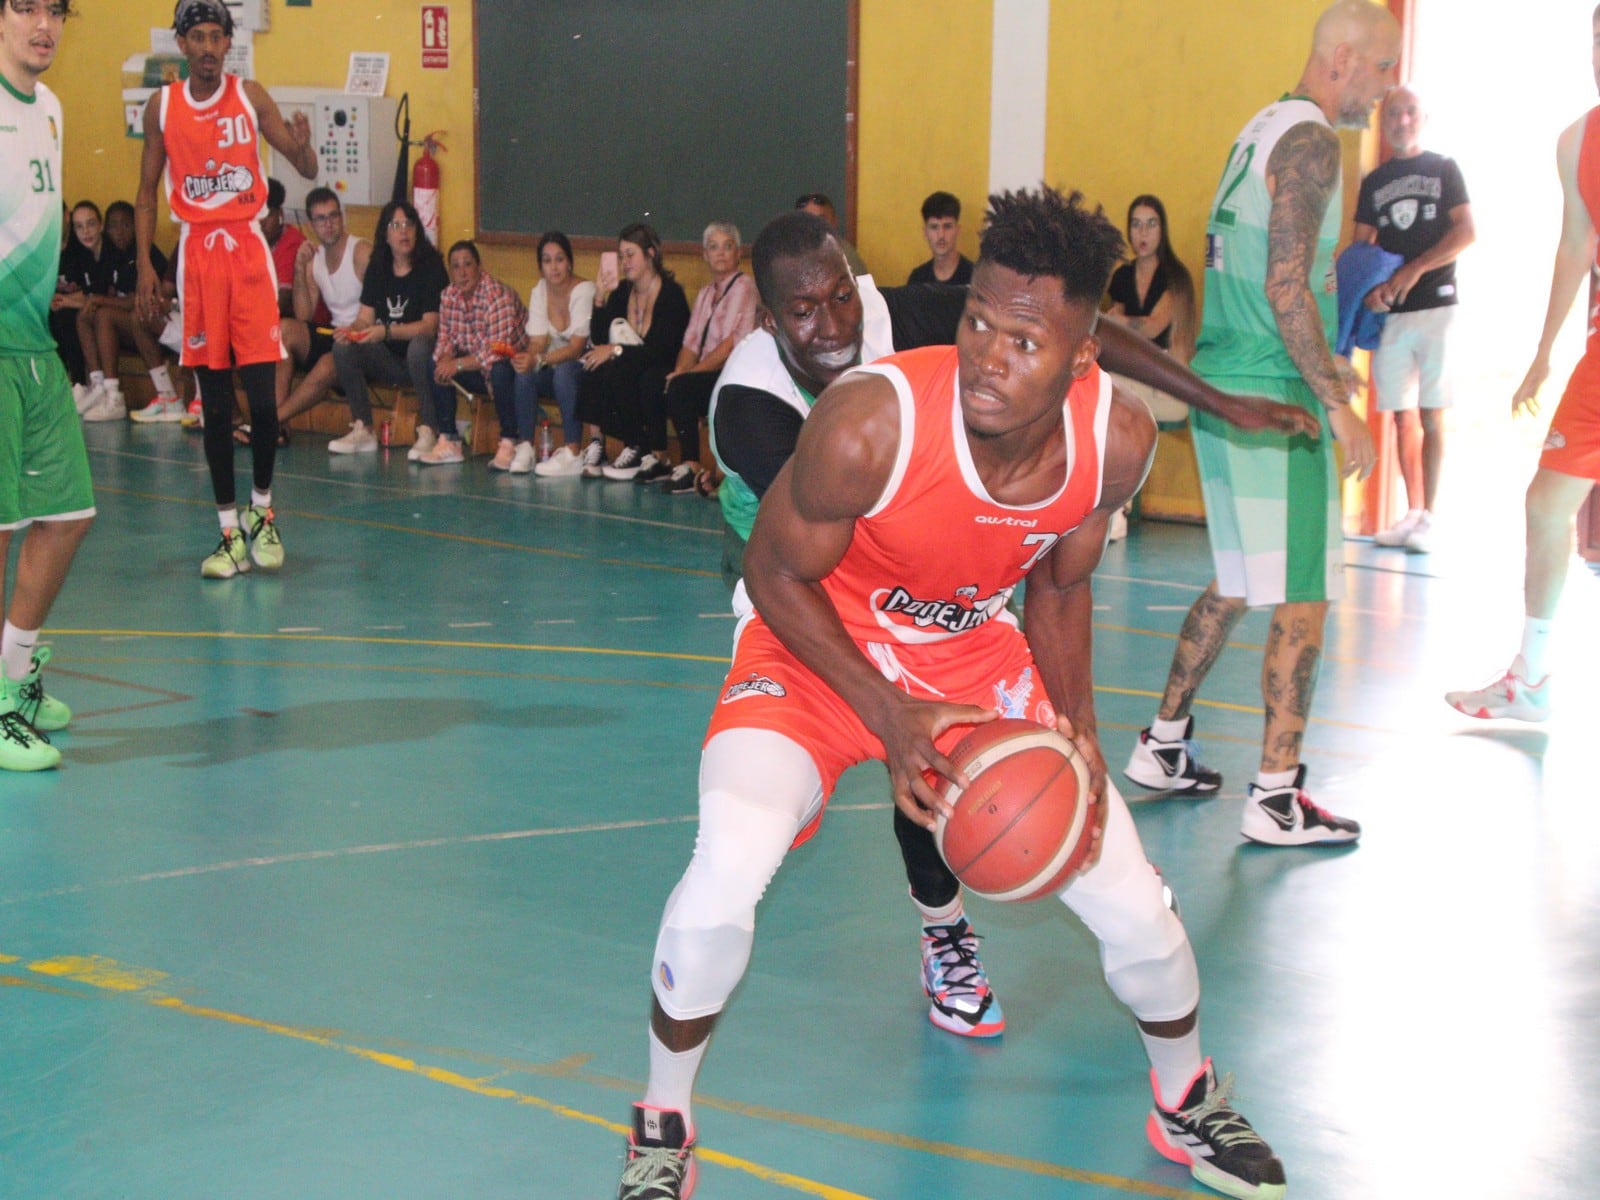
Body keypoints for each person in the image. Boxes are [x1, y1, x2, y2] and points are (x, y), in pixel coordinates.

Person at [617, 188, 1287, 1200]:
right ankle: (663, 1121)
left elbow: (1060, 588)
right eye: (976, 321)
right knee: (724, 877)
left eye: (1023, 340)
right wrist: (887, 716)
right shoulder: (865, 423)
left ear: (1081, 354)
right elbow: (771, 573)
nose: (986, 355)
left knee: (1134, 907)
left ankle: (1183, 1095)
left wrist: (1076, 733)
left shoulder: (1114, 442)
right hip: (815, 647)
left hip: (970, 654)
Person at [705, 210, 1320, 1049]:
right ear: (770, 321)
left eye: (841, 298)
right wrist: (903, 688)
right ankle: (945, 928)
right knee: (909, 732)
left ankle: (980, 924)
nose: (832, 325)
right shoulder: (751, 402)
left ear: (859, 286)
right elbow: (837, 565)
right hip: (814, 561)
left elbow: (1075, 329)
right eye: (803, 312)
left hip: (925, 549)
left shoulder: (911, 323)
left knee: (937, 719)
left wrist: (1211, 401)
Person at [1123, 0, 1397, 846]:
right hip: (1274, 394)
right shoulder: (1313, 140)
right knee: (1303, 596)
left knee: (1240, 578)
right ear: (1342, 57)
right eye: (1382, 68)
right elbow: (1286, 285)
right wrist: (1338, 401)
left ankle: (1162, 744)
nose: (1386, 89)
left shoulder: (1260, 127)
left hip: (1220, 386)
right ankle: (1277, 797)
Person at [1444, 4, 1600, 723]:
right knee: (1546, 504)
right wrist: (1543, 356)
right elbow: (1576, 246)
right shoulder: (1577, 141)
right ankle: (1530, 677)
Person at [134, 0, 317, 579]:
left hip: (247, 253)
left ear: (227, 44)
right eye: (200, 38)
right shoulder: (162, 107)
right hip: (196, 257)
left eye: (218, 37)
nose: (210, 48)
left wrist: (306, 144)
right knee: (213, 407)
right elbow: (144, 194)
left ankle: (263, 513)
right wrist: (145, 265)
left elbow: (305, 166)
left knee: (261, 402)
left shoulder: (251, 95)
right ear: (182, 45)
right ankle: (226, 532)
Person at [0, 0, 97, 771]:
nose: (44, 23)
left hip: (33, 345)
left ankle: (17, 666)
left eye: (55, 9)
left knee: (68, 513)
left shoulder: (54, 108)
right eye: (24, 5)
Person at [1353, 85, 1474, 554]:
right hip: (1393, 315)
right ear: (1383, 122)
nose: (1402, 119)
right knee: (1401, 415)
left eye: (1410, 112)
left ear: (1424, 118)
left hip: (1437, 304)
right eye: (1394, 113)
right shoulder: (1374, 181)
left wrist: (1415, 268)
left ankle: (1431, 518)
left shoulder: (1444, 169)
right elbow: (1361, 249)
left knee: (1432, 410)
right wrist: (1370, 291)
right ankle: (1412, 512)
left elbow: (1467, 230)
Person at [325, 199, 446, 456]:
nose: (403, 231)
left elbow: (429, 326)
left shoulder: (431, 267)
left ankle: (429, 429)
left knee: (419, 346)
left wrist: (387, 331)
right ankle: (364, 428)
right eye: (396, 225)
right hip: (388, 358)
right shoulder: (378, 268)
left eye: (408, 224)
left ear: (417, 231)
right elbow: (365, 318)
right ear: (386, 234)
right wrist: (352, 331)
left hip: (423, 357)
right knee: (343, 349)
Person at [575, 223, 690, 481]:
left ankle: (640, 447)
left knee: (625, 370)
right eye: (621, 256)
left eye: (631, 255)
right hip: (632, 362)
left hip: (661, 364)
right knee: (593, 364)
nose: (624, 262)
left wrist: (615, 350)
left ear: (650, 254)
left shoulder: (672, 295)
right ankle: (598, 444)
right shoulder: (622, 292)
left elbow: (661, 351)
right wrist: (600, 298)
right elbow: (599, 337)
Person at [650, 221, 756, 491]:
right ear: (705, 255)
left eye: (727, 247)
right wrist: (680, 372)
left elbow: (731, 345)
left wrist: (689, 375)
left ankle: (692, 463)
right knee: (666, 382)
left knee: (682, 385)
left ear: (738, 253)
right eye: (713, 247)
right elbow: (691, 342)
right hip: (705, 373)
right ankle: (670, 460)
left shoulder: (746, 288)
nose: (720, 253)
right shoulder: (706, 293)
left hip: (732, 375)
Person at [273, 187, 370, 437]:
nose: (328, 225)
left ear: (342, 217)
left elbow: (379, 307)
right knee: (283, 331)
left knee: (332, 360)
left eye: (333, 216)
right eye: (320, 219)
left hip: (366, 337)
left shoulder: (360, 252)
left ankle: (270, 421)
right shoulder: (315, 259)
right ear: (311, 224)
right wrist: (299, 268)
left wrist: (355, 331)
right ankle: (277, 426)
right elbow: (303, 316)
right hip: (335, 334)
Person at [421, 240, 525, 467]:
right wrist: (445, 357)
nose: (462, 272)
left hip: (511, 369)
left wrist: (456, 364)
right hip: (476, 369)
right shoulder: (448, 296)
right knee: (434, 364)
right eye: (456, 267)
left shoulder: (497, 296)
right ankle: (449, 439)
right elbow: (444, 339)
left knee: (500, 369)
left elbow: (496, 351)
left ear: (479, 266)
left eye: (467, 264)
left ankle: (510, 441)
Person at [518, 231, 594, 476]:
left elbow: (575, 348)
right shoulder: (540, 290)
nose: (554, 267)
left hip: (585, 368)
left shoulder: (584, 290)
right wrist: (529, 358)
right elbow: (538, 341)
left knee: (563, 373)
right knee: (524, 372)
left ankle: (573, 452)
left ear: (570, 262)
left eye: (560, 259)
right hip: (555, 366)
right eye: (547, 261)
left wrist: (539, 359)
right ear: (540, 266)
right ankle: (526, 446)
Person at [1105, 194, 1197, 363]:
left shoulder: (1176, 276)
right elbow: (1116, 317)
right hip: (1132, 365)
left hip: (1170, 368)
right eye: (1136, 224)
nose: (1143, 233)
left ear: (1162, 230)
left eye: (1151, 224)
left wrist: (1118, 320)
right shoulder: (1122, 275)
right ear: (1129, 231)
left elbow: (1153, 326)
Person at [55, 201, 124, 418]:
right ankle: (94, 386)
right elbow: (90, 295)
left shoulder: (114, 252)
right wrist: (64, 301)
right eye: (80, 227)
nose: (86, 231)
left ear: (101, 225)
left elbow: (102, 298)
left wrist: (67, 302)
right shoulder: (85, 255)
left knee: (95, 316)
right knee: (78, 315)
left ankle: (107, 392)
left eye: (91, 224)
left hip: (125, 316)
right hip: (104, 313)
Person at [261, 176, 308, 319]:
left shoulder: (292, 243)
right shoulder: (252, 243)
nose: (261, 223)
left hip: (307, 325)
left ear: (280, 214)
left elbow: (284, 299)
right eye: (256, 215)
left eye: (267, 215)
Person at [906, 190, 973, 286]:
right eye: (934, 227)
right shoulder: (917, 279)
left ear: (958, 230)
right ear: (925, 232)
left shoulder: (973, 278)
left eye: (947, 226)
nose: (941, 235)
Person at [794, 190, 868, 276]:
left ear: (835, 221)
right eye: (807, 220)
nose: (814, 225)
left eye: (821, 219)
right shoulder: (787, 254)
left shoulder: (845, 256)